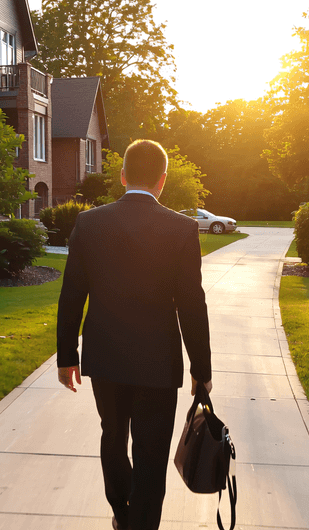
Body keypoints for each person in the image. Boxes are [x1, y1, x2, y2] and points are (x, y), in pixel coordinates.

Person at [56, 139, 212, 530]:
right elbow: (192, 303)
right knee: (151, 452)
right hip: (158, 362)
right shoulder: (182, 228)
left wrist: (66, 355)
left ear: (123, 176)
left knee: (113, 436)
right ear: (163, 180)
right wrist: (201, 368)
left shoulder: (89, 223)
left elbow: (72, 293)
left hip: (105, 358)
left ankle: (122, 514)